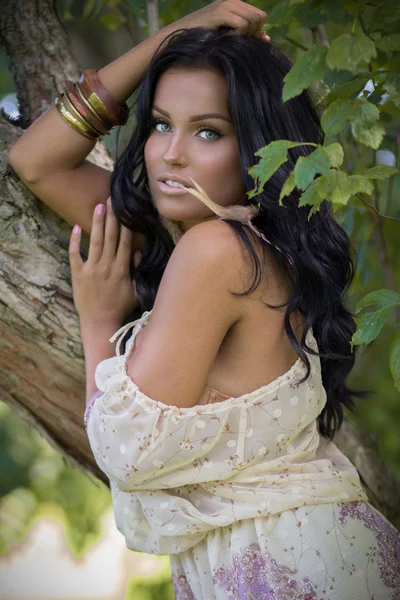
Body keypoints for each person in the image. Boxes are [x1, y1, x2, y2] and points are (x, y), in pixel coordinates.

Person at [8, 1, 399, 598]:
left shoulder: (216, 250)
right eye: (162, 123)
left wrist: (98, 323)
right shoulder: (211, 245)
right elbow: (34, 161)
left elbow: (128, 454)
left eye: (209, 132)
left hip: (285, 563)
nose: (171, 154)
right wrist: (180, 35)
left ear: (259, 150)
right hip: (305, 548)